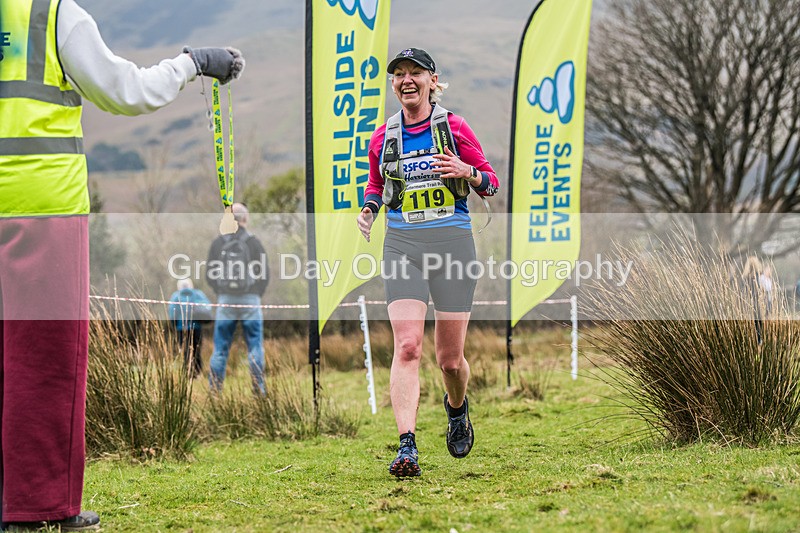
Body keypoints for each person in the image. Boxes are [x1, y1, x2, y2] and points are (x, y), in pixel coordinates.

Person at [0, 0, 244, 529]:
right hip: (41, 206)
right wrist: (193, 62)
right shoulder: (52, 13)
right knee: (45, 360)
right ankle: (36, 504)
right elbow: (127, 91)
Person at [356, 48, 499, 477]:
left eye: (414, 72)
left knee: (450, 361)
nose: (406, 80)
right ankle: (406, 447)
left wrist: (467, 172)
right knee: (408, 346)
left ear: (432, 80)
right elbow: (377, 182)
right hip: (402, 245)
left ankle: (457, 409)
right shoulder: (383, 136)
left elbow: (490, 183)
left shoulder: (454, 127)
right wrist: (369, 209)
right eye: (398, 74)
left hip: (452, 246)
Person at [206, 203, 269, 395]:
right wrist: (256, 293)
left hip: (226, 300)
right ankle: (259, 389)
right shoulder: (253, 242)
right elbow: (264, 273)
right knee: (255, 346)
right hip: (250, 299)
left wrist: (221, 291)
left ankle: (214, 392)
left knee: (220, 349)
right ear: (245, 219)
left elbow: (209, 274)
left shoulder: (219, 243)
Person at [168, 279, 213, 378]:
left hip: (181, 329)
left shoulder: (176, 296)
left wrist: (173, 324)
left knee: (185, 351)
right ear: (191, 285)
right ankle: (198, 373)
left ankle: (188, 373)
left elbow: (172, 313)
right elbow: (208, 306)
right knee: (197, 350)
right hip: (196, 328)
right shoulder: (198, 294)